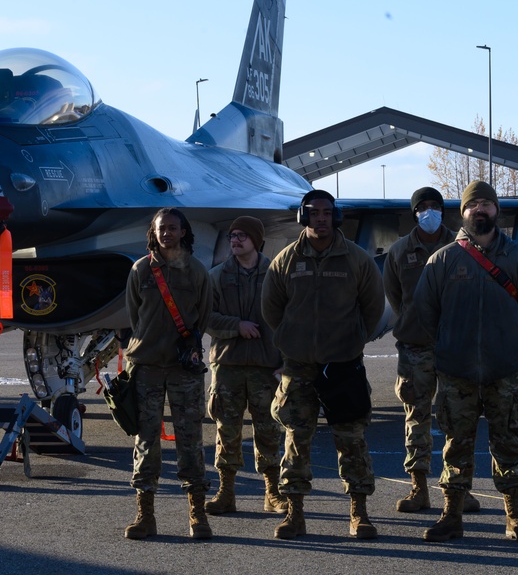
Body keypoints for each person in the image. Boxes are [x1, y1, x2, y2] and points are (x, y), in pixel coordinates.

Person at [415, 181, 518, 543]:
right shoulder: (443, 260)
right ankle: (451, 516)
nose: (480, 210)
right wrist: (448, 346)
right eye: (472, 204)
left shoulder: (517, 259)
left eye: (487, 203)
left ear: (497, 210)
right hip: (456, 373)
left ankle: (515, 518)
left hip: (505, 372)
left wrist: (513, 345)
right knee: (455, 445)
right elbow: (425, 313)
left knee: (507, 444)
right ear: (461, 212)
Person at [262, 189, 386, 540]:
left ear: (336, 216)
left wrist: (352, 340)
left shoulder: (356, 259)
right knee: (295, 440)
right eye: (313, 212)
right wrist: (291, 338)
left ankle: (359, 513)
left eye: (326, 212)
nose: (320, 218)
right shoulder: (285, 260)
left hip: (343, 365)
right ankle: (295, 513)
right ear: (304, 216)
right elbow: (272, 309)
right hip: (298, 367)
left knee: (351, 440)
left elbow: (373, 306)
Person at [384, 186, 479, 514]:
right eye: (422, 207)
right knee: (417, 418)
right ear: (414, 213)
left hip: (454, 347)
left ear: (444, 210)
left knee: (459, 420)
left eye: (434, 206)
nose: (429, 212)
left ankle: (459, 490)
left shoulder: (463, 246)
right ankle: (418, 489)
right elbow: (396, 297)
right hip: (415, 348)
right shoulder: (399, 252)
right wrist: (415, 323)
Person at [122, 207, 213, 540]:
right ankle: (145, 516)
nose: (167, 233)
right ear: (154, 232)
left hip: (183, 370)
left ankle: (198, 515)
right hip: (146, 367)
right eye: (162, 228)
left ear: (183, 232)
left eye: (173, 228)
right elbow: (135, 316)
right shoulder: (141, 270)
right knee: (146, 442)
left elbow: (203, 315)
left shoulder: (196, 272)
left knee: (190, 441)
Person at [204, 216, 287, 516]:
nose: (235, 240)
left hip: (267, 365)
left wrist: (286, 363)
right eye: (232, 235)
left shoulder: (276, 274)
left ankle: (272, 492)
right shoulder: (216, 276)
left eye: (242, 235)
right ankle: (226, 492)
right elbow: (205, 317)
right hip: (228, 365)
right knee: (227, 430)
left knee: (268, 430)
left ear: (256, 239)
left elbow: (289, 320)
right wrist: (235, 325)